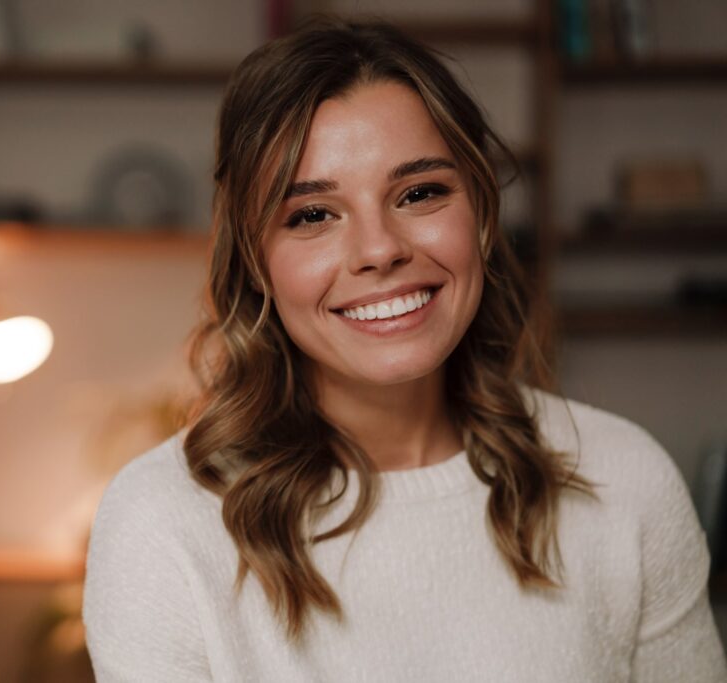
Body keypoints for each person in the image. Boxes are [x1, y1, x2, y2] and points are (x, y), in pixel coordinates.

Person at [82, 16, 727, 682]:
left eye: (419, 193)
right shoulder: (162, 524)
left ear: (479, 213)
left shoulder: (625, 483)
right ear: (253, 260)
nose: (381, 248)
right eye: (311, 214)